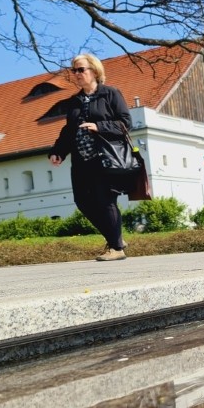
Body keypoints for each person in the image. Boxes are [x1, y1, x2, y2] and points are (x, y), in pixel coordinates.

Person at [49, 53, 132, 261]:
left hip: (105, 157)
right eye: (73, 70)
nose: (76, 74)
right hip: (81, 160)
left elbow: (125, 123)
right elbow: (68, 131)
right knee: (83, 202)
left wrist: (99, 126)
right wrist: (58, 152)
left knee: (105, 201)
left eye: (80, 70)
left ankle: (116, 248)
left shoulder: (110, 94)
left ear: (94, 71)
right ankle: (116, 239)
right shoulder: (74, 101)